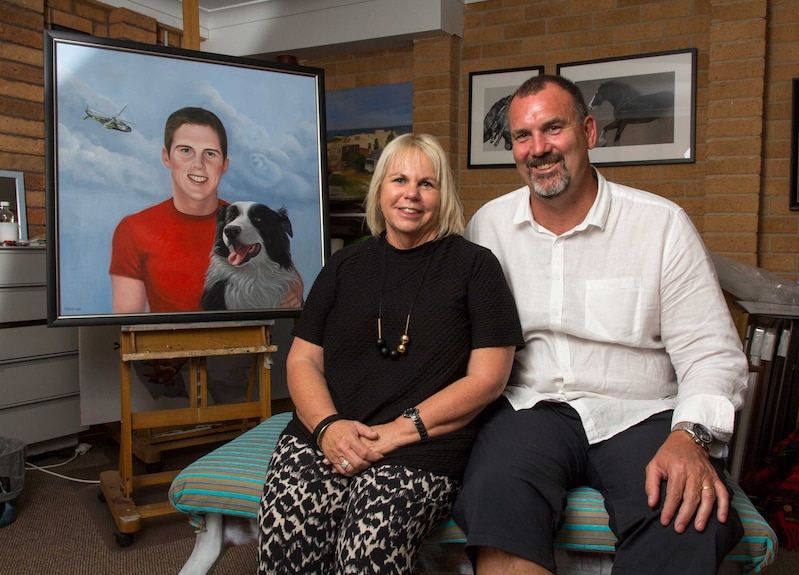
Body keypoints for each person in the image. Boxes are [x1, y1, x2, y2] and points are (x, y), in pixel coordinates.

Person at [452, 74, 750, 575]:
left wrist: (690, 437)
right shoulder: (488, 228)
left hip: (642, 413)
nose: (538, 148)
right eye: (523, 136)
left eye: (553, 129)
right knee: (495, 492)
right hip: (531, 408)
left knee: (686, 513)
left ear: (588, 131)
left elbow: (710, 353)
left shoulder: (660, 225)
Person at [257, 133, 524, 575]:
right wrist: (328, 428)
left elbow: (489, 379)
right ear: (380, 189)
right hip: (326, 433)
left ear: (443, 195)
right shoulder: (344, 266)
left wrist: (395, 434)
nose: (411, 195)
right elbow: (303, 360)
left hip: (421, 447)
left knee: (366, 552)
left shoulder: (476, 267)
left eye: (427, 183)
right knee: (290, 544)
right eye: (399, 179)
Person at [109, 106, 303, 313]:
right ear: (166, 157)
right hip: (167, 343)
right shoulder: (133, 229)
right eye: (185, 150)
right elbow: (128, 321)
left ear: (224, 164)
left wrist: (295, 292)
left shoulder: (250, 222)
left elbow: (286, 271)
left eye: (210, 153)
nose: (198, 164)